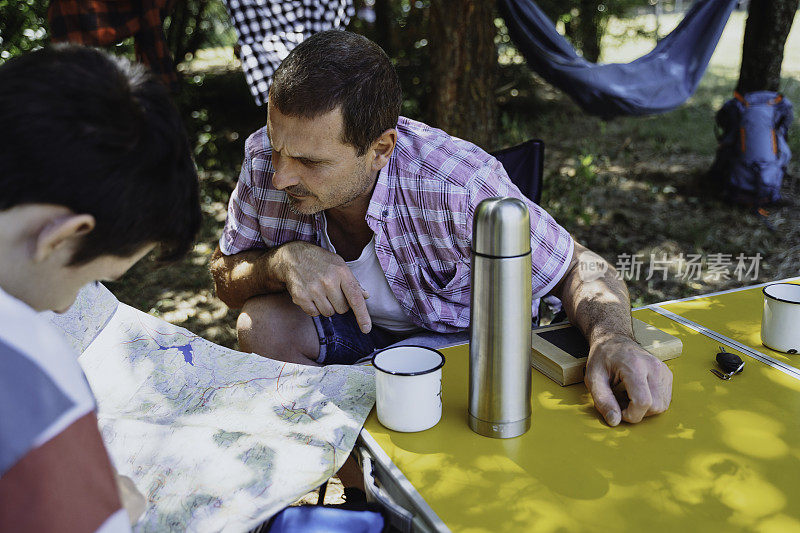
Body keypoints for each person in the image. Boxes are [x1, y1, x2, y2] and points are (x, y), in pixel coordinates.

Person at [210, 30, 672, 427]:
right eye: (277, 147)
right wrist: (279, 262)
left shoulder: (460, 187)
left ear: (380, 149)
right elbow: (225, 280)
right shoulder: (262, 163)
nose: (280, 177)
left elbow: (578, 265)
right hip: (356, 333)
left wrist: (612, 340)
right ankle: (353, 469)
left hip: (470, 351)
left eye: (310, 162)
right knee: (260, 322)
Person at [0, 45, 201, 530]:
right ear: (62, 236)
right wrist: (110, 512)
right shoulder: (26, 365)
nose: (69, 306)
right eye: (87, 280)